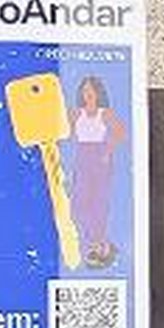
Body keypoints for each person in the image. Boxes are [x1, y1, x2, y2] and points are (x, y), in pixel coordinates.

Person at [67, 76, 122, 269]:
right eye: (84, 91)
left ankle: (97, 241)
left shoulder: (105, 113)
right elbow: (63, 130)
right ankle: (96, 240)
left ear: (98, 93)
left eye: (91, 90)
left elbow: (119, 132)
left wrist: (108, 151)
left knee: (98, 201)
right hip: (82, 156)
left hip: (100, 156)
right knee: (78, 202)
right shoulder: (76, 113)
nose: (88, 94)